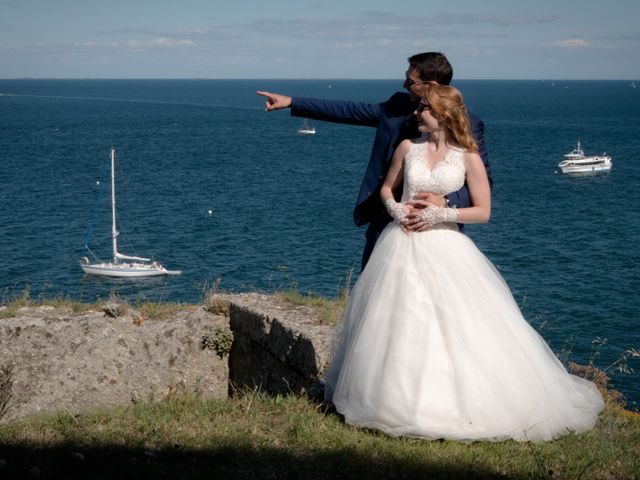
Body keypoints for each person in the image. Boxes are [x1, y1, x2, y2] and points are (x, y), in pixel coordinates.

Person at [322, 85, 604, 442]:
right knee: (399, 322)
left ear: (441, 113)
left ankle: (453, 405)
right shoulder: (408, 148)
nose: (416, 112)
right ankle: (391, 401)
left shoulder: (468, 157)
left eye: (423, 107)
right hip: (400, 244)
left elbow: (483, 211)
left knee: (456, 324)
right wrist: (395, 211)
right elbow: (386, 189)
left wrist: (440, 213)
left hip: (446, 246)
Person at [257, 52, 490, 269]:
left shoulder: (468, 123)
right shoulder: (396, 106)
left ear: (433, 86)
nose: (403, 85)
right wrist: (292, 102)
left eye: (410, 82)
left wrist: (445, 203)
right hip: (386, 221)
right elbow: (350, 111)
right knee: (375, 293)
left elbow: (480, 181)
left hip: (435, 230)